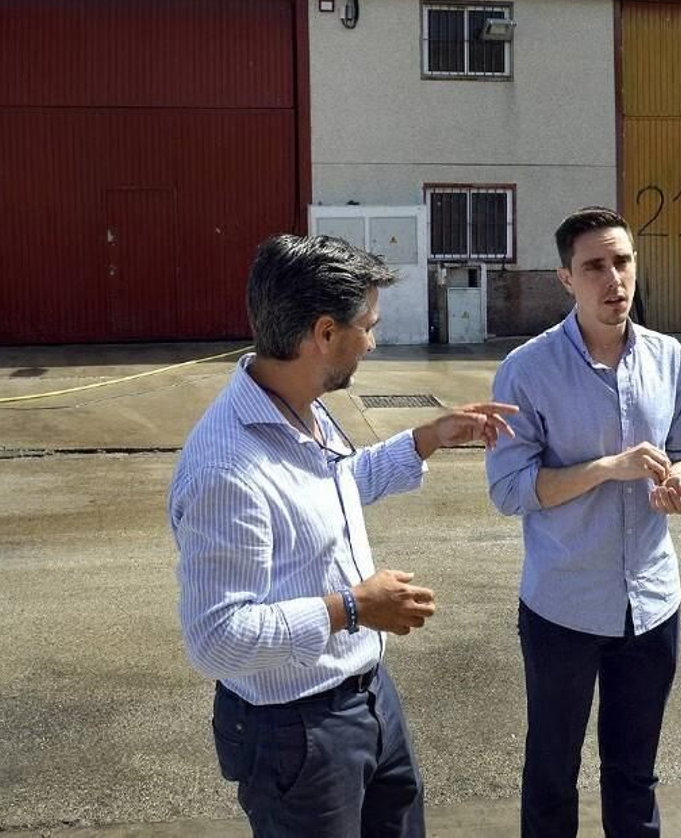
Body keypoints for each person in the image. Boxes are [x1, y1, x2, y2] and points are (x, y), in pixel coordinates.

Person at [168, 233, 515, 838]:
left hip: (369, 699)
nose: (374, 341)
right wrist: (352, 608)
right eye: (368, 326)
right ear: (324, 334)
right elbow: (215, 639)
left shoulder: (298, 402)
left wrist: (427, 438)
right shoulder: (227, 469)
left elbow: (331, 487)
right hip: (295, 734)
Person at [486, 206, 681, 837]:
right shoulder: (528, 369)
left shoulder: (669, 358)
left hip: (653, 602)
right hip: (565, 606)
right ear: (565, 279)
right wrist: (607, 468)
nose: (614, 280)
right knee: (553, 774)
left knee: (635, 774)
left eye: (623, 262)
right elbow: (508, 489)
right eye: (595, 267)